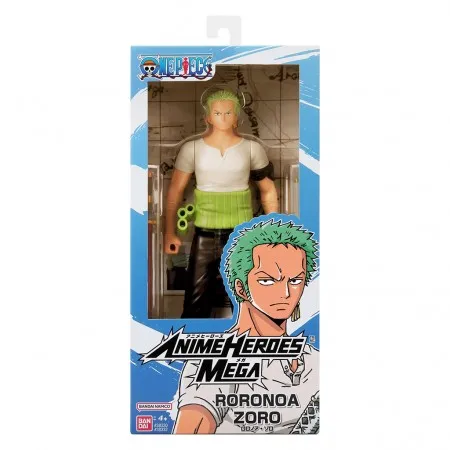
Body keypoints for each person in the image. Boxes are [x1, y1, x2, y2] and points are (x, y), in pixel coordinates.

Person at [173, 215, 320, 434]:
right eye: (267, 280)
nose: (286, 293)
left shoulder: (314, 359)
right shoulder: (217, 357)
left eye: (295, 280)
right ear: (241, 288)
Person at [164, 90, 278, 318]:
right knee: (195, 303)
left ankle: (249, 337)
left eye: (228, 112)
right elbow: (175, 191)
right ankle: (192, 338)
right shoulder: (192, 149)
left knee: (247, 302)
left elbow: (268, 190)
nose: (223, 117)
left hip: (241, 236)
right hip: (204, 235)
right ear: (208, 117)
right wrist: (169, 233)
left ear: (237, 118)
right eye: (217, 113)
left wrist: (272, 231)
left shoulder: (251, 148)